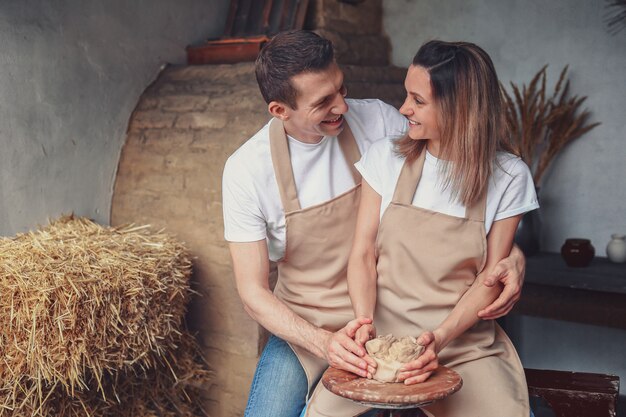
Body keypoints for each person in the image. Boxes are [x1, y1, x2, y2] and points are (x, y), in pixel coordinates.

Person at [222, 31, 528, 417]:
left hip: (383, 313)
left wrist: (510, 254)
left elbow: (448, 179)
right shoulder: (246, 171)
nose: (343, 107)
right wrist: (322, 342)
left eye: (341, 89)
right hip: (307, 322)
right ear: (280, 110)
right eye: (324, 103)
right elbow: (252, 291)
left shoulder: (381, 122)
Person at [304, 40, 538, 417]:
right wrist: (364, 323)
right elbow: (363, 253)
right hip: (380, 342)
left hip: (462, 344)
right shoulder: (386, 157)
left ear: (459, 107)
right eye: (405, 96)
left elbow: (490, 278)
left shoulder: (509, 175)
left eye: (418, 100)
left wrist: (439, 339)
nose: (404, 109)